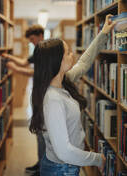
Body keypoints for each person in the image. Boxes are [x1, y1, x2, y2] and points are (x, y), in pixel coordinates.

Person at [29, 14, 116, 176]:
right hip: (61, 169)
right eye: (68, 53)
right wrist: (97, 159)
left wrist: (103, 33)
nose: (73, 55)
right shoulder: (53, 99)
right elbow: (64, 151)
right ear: (57, 62)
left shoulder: (63, 80)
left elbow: (84, 63)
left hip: (65, 166)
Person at [2, 24, 45, 176]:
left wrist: (15, 69)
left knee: (42, 133)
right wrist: (9, 57)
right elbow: (23, 62)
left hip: (44, 97)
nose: (32, 42)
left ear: (40, 35)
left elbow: (35, 73)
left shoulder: (45, 51)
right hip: (38, 96)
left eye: (33, 39)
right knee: (39, 132)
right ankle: (40, 164)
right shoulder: (39, 50)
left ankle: (42, 168)